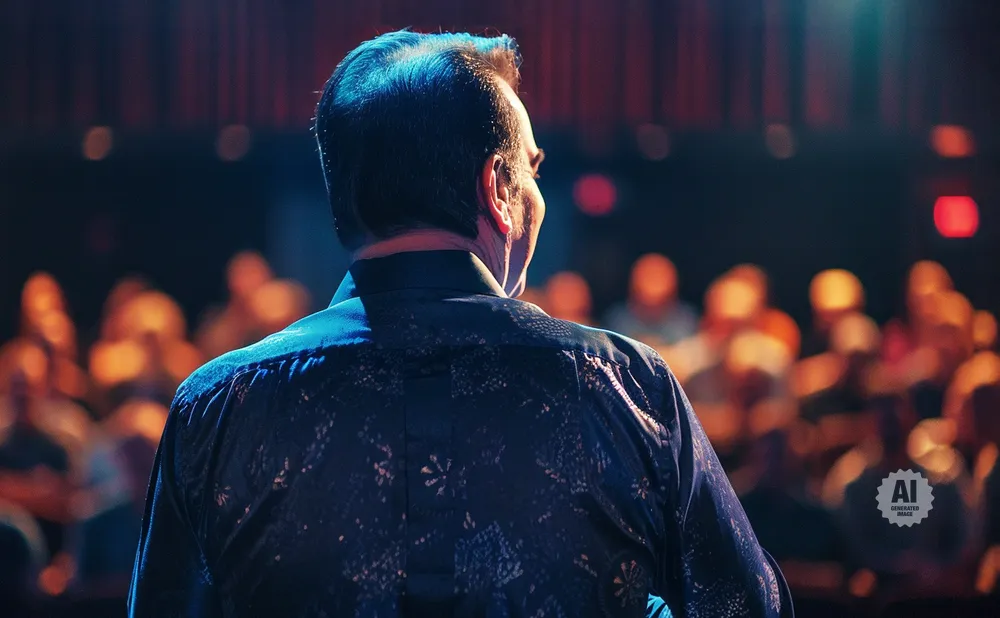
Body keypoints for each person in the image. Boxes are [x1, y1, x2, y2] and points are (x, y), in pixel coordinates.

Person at [129, 30, 791, 617]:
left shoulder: (218, 409)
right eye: (532, 170)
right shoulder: (623, 387)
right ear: (498, 189)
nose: (536, 194)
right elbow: (744, 606)